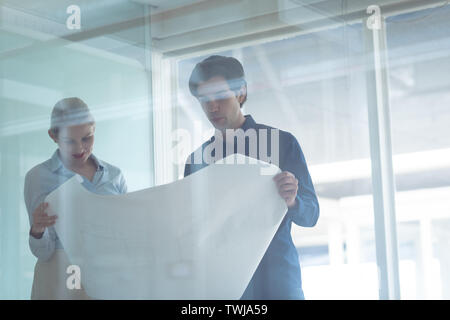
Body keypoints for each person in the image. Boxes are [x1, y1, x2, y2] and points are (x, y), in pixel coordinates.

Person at [184, 55, 319, 299]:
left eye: (220, 96)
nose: (212, 107)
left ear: (241, 92)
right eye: (204, 100)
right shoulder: (197, 162)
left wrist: (292, 200)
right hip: (223, 285)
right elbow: (191, 230)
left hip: (277, 282)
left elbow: (311, 215)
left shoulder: (282, 143)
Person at [24, 97, 127, 299]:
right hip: (58, 278)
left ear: (94, 129)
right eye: (69, 141)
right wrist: (37, 230)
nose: (80, 149)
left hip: (107, 277)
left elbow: (124, 237)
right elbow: (43, 252)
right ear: (53, 135)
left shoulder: (115, 176)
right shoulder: (37, 178)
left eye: (87, 138)